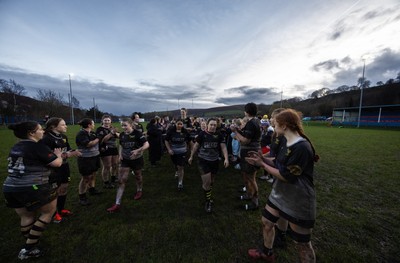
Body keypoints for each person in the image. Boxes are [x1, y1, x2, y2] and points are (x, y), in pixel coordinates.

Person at [245, 109, 319, 263]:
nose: (273, 124)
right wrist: (262, 159)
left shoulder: (301, 147)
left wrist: (262, 165)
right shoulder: (286, 140)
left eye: (276, 123)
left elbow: (286, 176)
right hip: (280, 194)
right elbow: (279, 164)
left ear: (284, 126)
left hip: (298, 199)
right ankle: (267, 253)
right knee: (267, 222)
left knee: (302, 244)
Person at [3, 121, 63, 260]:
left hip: (10, 187)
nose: (43, 131)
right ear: (31, 133)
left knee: (26, 216)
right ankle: (28, 249)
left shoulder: (15, 147)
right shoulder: (37, 147)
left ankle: (31, 244)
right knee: (48, 213)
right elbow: (57, 163)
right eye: (40, 129)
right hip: (33, 187)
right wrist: (59, 155)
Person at [40, 117, 81, 223]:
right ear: (53, 126)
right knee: (54, 191)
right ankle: (54, 214)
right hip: (52, 170)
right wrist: (66, 154)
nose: (66, 126)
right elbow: (46, 157)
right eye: (63, 124)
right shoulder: (46, 139)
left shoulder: (63, 137)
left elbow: (68, 149)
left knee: (64, 187)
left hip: (64, 166)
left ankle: (61, 209)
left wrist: (74, 151)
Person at [107, 118, 149, 212]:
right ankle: (117, 203)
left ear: (131, 125)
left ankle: (139, 190)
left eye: (125, 125)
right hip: (125, 160)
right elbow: (121, 145)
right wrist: (120, 154)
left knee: (138, 176)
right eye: (122, 125)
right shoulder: (122, 135)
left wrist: (138, 150)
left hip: (136, 159)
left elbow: (146, 144)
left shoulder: (137, 133)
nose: (123, 127)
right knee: (121, 180)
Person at [188, 118, 229, 213]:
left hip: (214, 161)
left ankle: (208, 195)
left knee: (211, 182)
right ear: (207, 125)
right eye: (211, 124)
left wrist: (226, 158)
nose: (213, 126)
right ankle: (208, 202)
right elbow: (196, 146)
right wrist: (191, 156)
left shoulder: (219, 135)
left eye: (214, 125)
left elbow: (223, 147)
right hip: (203, 161)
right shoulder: (202, 134)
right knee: (207, 182)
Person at [230, 102, 261, 211]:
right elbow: (245, 136)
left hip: (250, 153)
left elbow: (245, 141)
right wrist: (238, 131)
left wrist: (234, 131)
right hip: (248, 152)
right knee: (246, 176)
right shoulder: (254, 122)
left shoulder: (252, 123)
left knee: (251, 178)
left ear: (246, 112)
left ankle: (255, 202)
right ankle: (249, 194)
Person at [75, 118, 101, 206]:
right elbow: (88, 144)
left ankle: (92, 189)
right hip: (85, 159)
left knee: (93, 174)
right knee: (86, 178)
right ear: (89, 125)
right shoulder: (81, 133)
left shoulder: (92, 133)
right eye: (93, 123)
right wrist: (98, 139)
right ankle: (82, 196)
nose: (94, 125)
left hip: (94, 157)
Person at [164, 119, 192, 190]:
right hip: (173, 152)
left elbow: (190, 141)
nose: (179, 125)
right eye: (178, 124)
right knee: (175, 164)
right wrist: (169, 149)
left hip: (182, 152)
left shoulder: (185, 132)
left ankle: (180, 182)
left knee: (181, 166)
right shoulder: (171, 131)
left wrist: (191, 150)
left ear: (182, 125)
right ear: (175, 124)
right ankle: (176, 171)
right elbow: (166, 140)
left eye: (181, 124)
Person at [96, 115, 120, 189]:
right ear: (102, 121)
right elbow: (103, 140)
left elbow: (119, 136)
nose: (107, 122)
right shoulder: (100, 129)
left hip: (114, 148)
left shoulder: (112, 128)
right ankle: (106, 182)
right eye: (105, 120)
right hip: (105, 149)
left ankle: (113, 178)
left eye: (108, 120)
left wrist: (115, 133)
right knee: (107, 166)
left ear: (111, 121)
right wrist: (111, 133)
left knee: (115, 164)